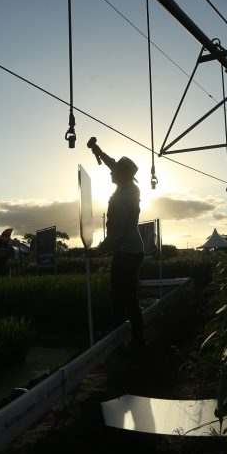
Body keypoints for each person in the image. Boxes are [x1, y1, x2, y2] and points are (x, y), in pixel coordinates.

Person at [86, 141, 145, 347]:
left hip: (126, 251)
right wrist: (99, 151)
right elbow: (113, 165)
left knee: (122, 297)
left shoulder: (124, 198)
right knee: (126, 295)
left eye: (116, 170)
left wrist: (97, 252)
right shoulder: (127, 186)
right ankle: (129, 336)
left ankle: (131, 340)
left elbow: (117, 234)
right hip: (131, 250)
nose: (111, 172)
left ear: (123, 174)